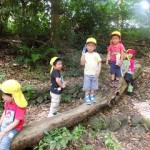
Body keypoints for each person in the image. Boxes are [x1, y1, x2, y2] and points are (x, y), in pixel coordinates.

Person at [0, 79, 27, 150]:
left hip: (14, 129)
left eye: (4, 95)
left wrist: (3, 131)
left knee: (5, 142)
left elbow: (16, 122)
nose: (2, 97)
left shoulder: (20, 107)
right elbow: (5, 112)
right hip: (5, 125)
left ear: (12, 95)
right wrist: (0, 123)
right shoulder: (7, 102)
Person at [81, 37, 102, 105]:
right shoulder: (85, 54)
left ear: (95, 47)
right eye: (89, 45)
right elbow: (82, 63)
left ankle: (92, 96)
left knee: (93, 87)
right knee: (87, 87)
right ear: (86, 46)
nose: (90, 47)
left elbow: (99, 62)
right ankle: (87, 97)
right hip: (87, 74)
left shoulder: (96, 54)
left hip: (94, 74)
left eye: (92, 46)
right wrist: (83, 56)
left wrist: (98, 70)